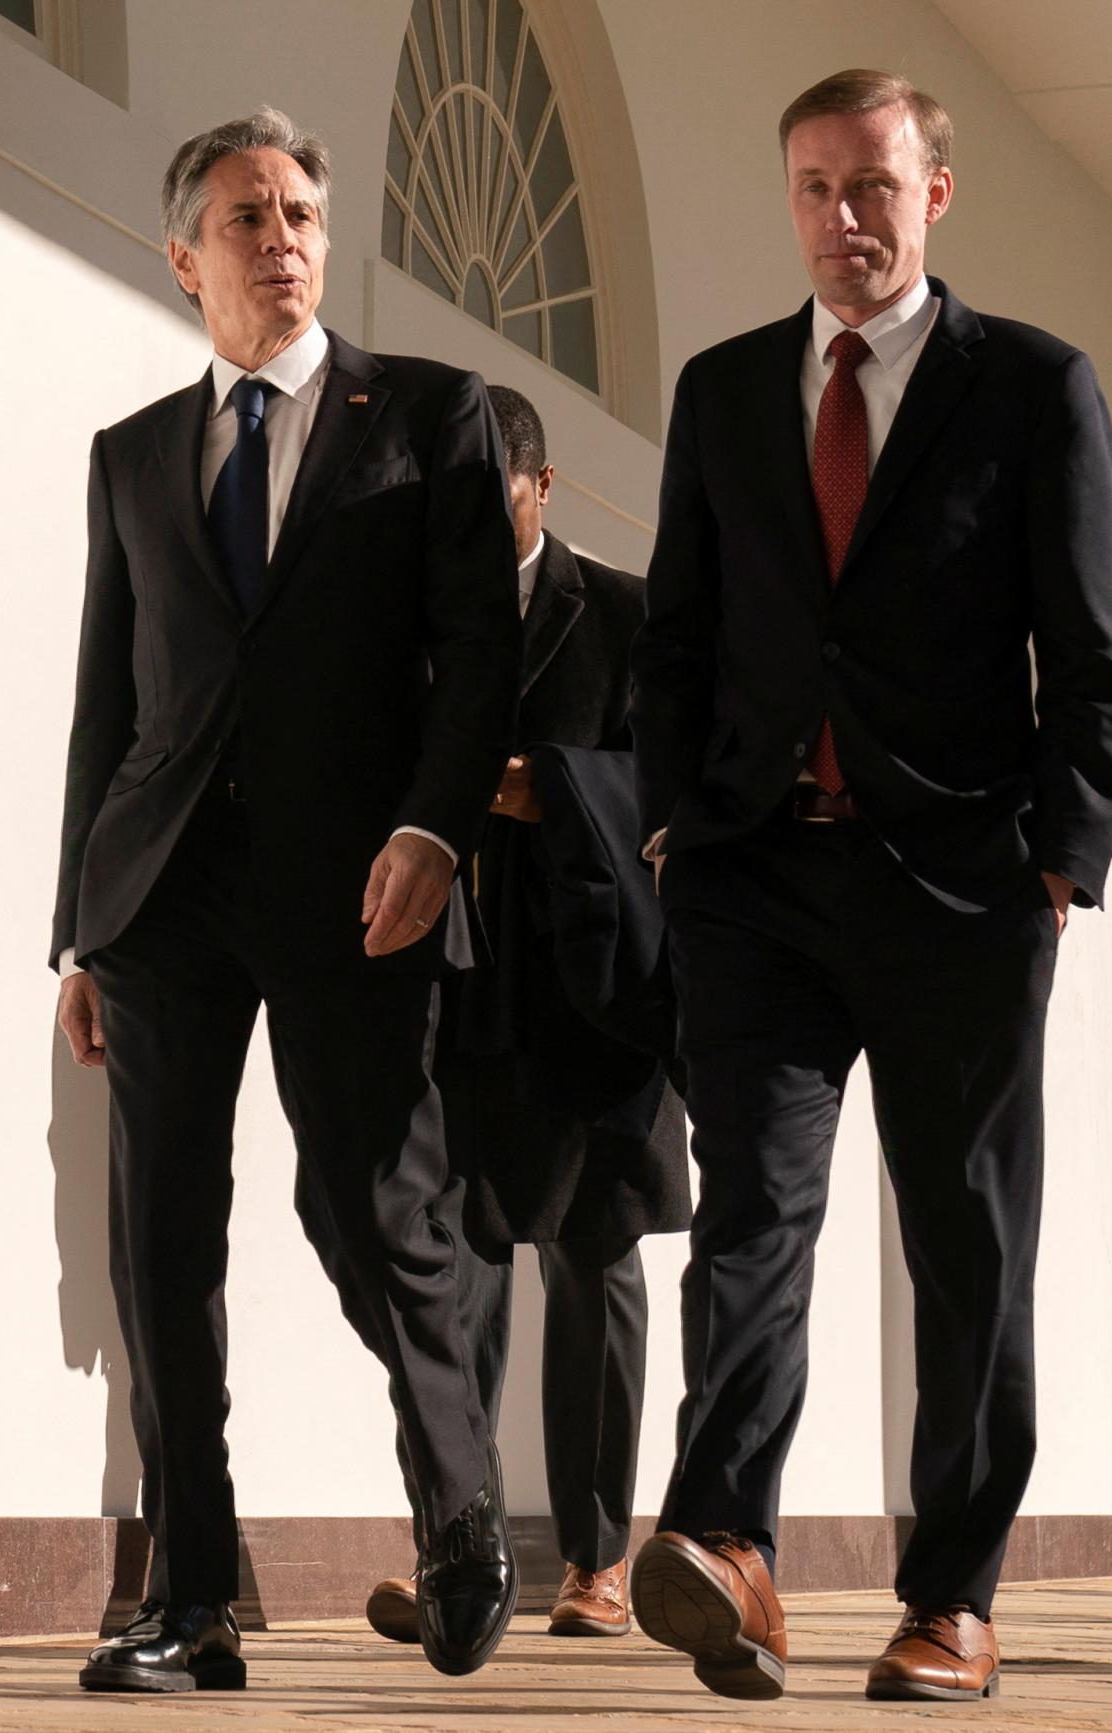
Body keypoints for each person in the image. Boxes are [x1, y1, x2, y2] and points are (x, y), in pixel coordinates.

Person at [626, 69, 1112, 1704]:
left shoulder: (1034, 388)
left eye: (873, 187)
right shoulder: (719, 394)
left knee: (966, 1238)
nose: (842, 218)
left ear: (936, 195)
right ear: (789, 200)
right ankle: (732, 1548)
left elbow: (1096, 650)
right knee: (753, 1216)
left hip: (961, 886)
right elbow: (678, 638)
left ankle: (952, 1597)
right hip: (754, 873)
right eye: (814, 188)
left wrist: (1062, 858)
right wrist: (665, 822)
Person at [53, 107, 523, 1692]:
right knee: (160, 1247)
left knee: (379, 1208)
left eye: (304, 211)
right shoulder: (131, 458)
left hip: (360, 885)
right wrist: (79, 928)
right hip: (166, 892)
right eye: (248, 217)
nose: (284, 239)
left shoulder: (432, 417)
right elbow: (106, 709)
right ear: (184, 257)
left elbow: (479, 662)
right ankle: (193, 1596)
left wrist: (434, 830)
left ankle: (459, 1508)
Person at [363, 387, 688, 1648]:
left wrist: (538, 787)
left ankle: (599, 1559)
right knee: (457, 1256)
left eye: (491, 487)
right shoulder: (410, 627)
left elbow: (667, 779)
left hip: (594, 985)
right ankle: (466, 1546)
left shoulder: (621, 612)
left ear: (542, 490)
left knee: (595, 1254)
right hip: (456, 982)